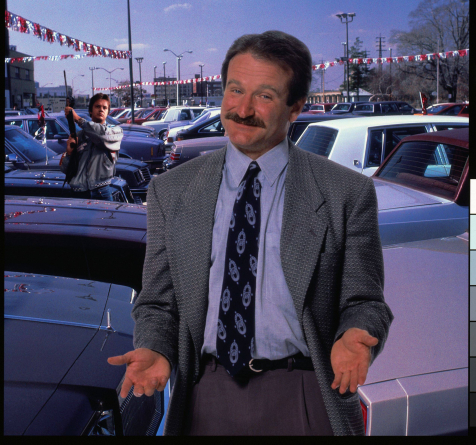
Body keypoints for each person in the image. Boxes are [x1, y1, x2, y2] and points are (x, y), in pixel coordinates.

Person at [108, 31, 393, 436]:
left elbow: (365, 302)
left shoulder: (345, 192)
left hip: (304, 393)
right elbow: (158, 302)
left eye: (265, 96)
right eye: (235, 90)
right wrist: (156, 347)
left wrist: (356, 336)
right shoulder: (171, 190)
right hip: (207, 395)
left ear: (295, 107)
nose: (243, 109)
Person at [60, 93, 123, 201]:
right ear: (90, 110)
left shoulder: (115, 132)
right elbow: (65, 169)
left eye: (104, 108)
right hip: (79, 194)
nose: (101, 110)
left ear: (108, 112)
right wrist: (69, 153)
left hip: (101, 192)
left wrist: (78, 119)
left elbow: (101, 135)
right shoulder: (79, 136)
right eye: (97, 106)